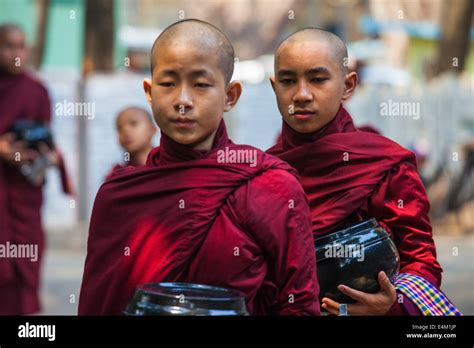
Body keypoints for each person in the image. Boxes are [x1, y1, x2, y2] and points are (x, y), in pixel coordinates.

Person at [79, 19, 320, 315]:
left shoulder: (270, 187)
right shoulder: (118, 197)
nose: (182, 101)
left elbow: (299, 303)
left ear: (230, 96)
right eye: (168, 84)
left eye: (201, 85)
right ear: (150, 91)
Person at [267, 28, 460, 316]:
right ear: (274, 87)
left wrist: (393, 306)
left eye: (318, 79)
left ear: (348, 85)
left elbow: (421, 261)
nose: (302, 94)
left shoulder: (385, 164)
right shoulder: (263, 172)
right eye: (288, 81)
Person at [0, 23, 73, 314]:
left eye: (21, 46)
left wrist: (44, 157)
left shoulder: (37, 91)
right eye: (8, 46)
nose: (16, 54)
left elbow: (44, 138)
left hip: (23, 194)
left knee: (26, 269)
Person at [105, 106, 156, 180]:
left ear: (152, 129)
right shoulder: (116, 176)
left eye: (133, 124)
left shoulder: (168, 167)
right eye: (119, 128)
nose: (126, 131)